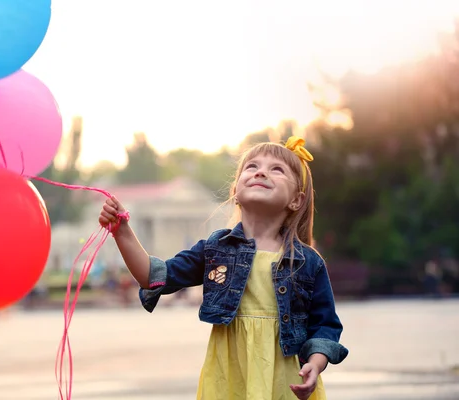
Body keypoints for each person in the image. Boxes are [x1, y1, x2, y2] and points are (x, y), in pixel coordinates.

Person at [99, 136, 348, 399]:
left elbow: (326, 325)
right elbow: (153, 276)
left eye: (277, 169)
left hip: (285, 382)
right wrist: (122, 231)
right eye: (251, 167)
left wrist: (316, 363)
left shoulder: (308, 262)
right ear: (235, 192)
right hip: (229, 379)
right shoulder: (216, 248)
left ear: (296, 200)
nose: (261, 171)